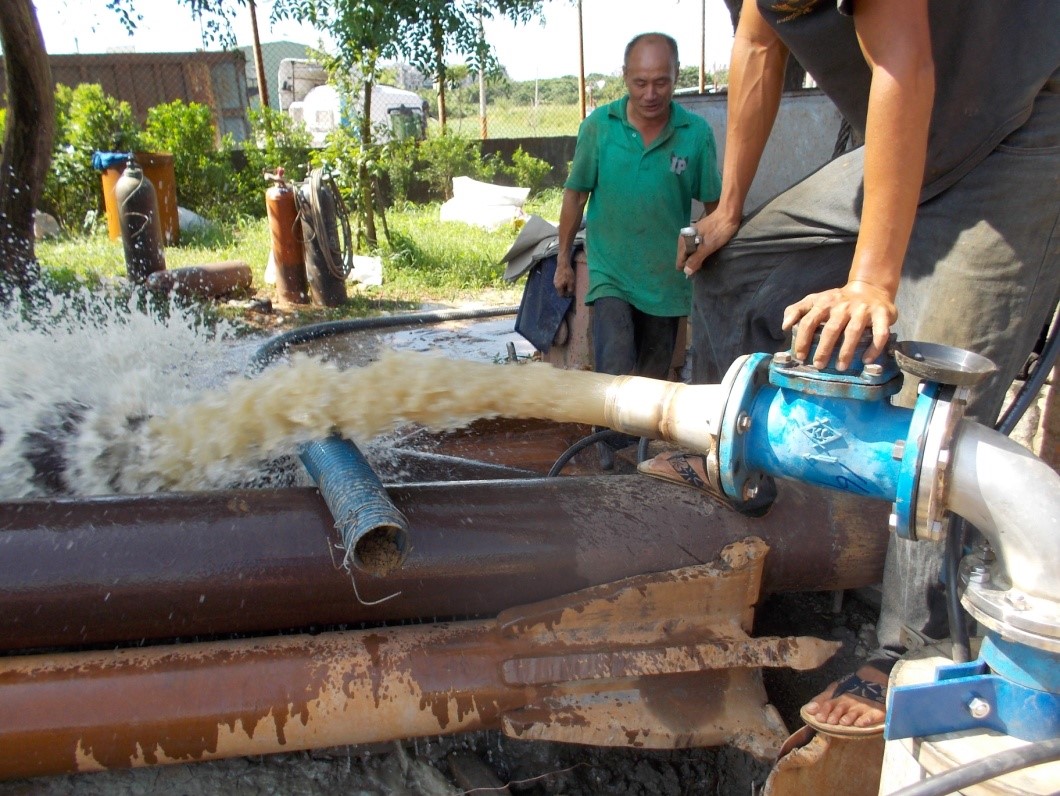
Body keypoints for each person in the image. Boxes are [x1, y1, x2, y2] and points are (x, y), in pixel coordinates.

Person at [641, 0, 1059, 733]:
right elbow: (759, 48)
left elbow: (906, 65)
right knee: (732, 271)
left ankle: (912, 648)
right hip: (907, 130)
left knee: (941, 391)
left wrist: (872, 278)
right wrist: (730, 207)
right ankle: (736, 459)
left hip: (1016, 128)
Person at [554, 33, 721, 389]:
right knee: (612, 370)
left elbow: (716, 209)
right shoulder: (600, 126)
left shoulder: (696, 134)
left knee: (652, 384)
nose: (650, 94)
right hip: (610, 273)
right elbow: (574, 197)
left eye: (661, 82)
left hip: (666, 280)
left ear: (677, 76)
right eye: (640, 83)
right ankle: (607, 445)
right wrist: (563, 261)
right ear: (625, 76)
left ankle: (641, 446)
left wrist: (705, 255)